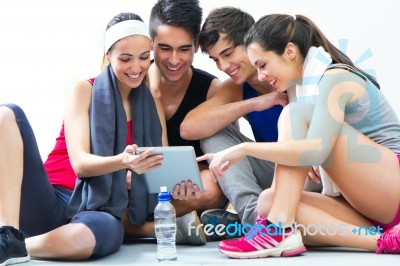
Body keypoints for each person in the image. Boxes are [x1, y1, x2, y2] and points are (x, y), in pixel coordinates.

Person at [199, 14, 400, 258]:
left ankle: (278, 231)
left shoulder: (334, 77)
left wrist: (244, 149)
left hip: (391, 188)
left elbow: (316, 150)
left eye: (263, 65)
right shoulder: (298, 88)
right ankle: (384, 240)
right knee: (267, 203)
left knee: (295, 114)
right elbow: (289, 183)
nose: (261, 77)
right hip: (364, 206)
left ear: (290, 51)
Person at [0, 12, 168, 265]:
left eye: (144, 58)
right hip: (53, 197)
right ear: (107, 57)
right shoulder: (83, 90)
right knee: (6, 113)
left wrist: (170, 183)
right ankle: (8, 233)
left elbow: (160, 167)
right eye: (125, 58)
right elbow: (80, 164)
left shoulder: (153, 104)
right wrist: (124, 163)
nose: (137, 67)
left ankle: (20, 246)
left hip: (100, 210)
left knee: (82, 240)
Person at [181, 6, 309, 230]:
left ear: (250, 41)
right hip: (275, 171)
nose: (223, 67)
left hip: (312, 169)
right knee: (214, 133)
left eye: (228, 53)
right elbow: (189, 127)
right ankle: (253, 216)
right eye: (215, 60)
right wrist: (256, 103)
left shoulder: (292, 68)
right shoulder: (238, 87)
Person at [125, 0, 228, 244]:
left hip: (185, 190)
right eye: (164, 48)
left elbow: (219, 155)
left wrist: (192, 177)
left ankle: (135, 225)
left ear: (196, 46)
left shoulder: (211, 89)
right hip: (136, 182)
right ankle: (153, 228)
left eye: (184, 49)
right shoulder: (132, 80)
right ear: (150, 45)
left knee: (213, 187)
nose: (174, 60)